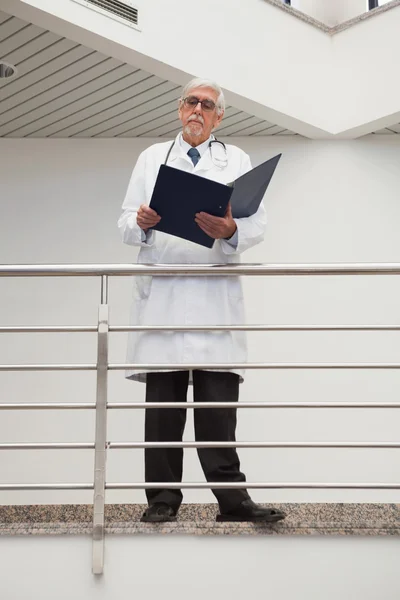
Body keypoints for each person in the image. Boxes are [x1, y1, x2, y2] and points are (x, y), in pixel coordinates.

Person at [118, 77, 285, 524]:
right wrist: (143, 222)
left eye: (207, 104)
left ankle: (233, 502)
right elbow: (123, 223)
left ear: (219, 116)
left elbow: (256, 222)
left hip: (213, 298)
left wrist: (231, 231)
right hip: (165, 297)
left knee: (217, 411)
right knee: (163, 413)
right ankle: (162, 499)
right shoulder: (152, 158)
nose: (197, 109)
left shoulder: (237, 160)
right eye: (191, 101)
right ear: (179, 109)